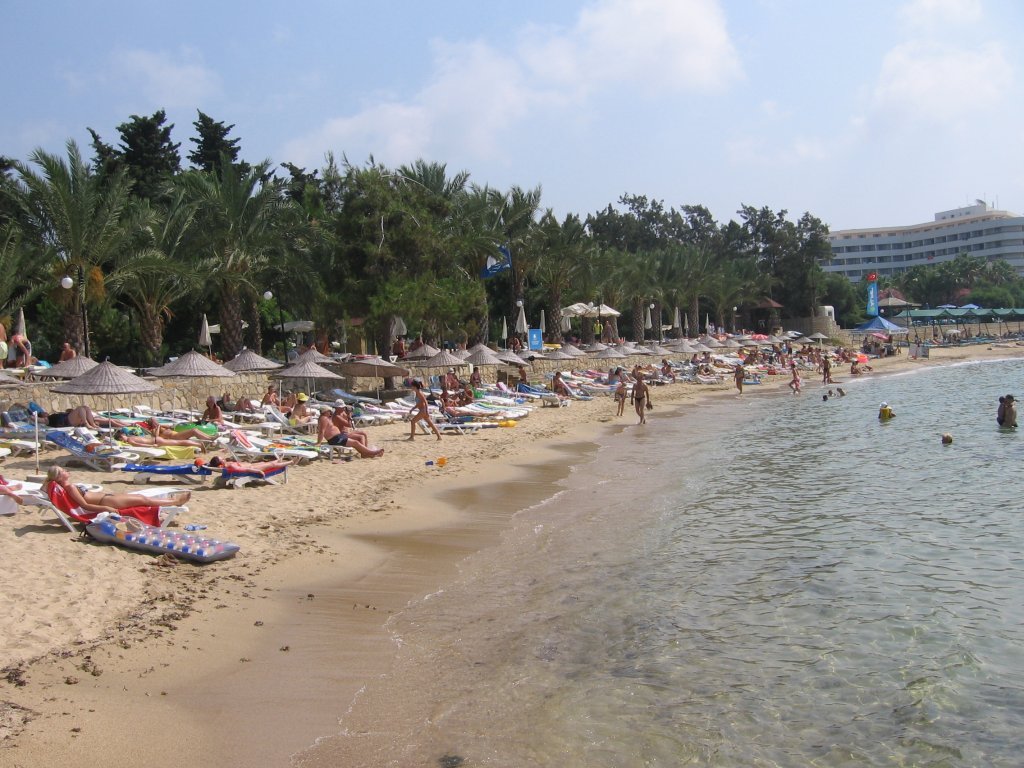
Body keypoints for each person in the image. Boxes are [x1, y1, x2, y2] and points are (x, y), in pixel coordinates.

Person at [45, 465, 190, 514]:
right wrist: (108, 509)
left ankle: (173, 501)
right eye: (62, 471)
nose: (65, 470)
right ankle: (175, 501)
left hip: (108, 498)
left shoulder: (68, 486)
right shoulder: (70, 487)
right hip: (108, 501)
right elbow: (84, 505)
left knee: (141, 498)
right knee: (143, 500)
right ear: (59, 478)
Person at [316, 408, 383, 457]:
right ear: (325, 412)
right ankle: (372, 452)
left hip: (338, 437)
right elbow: (322, 431)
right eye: (329, 411)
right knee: (355, 442)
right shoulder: (323, 418)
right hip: (335, 439)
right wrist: (319, 442)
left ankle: (366, 453)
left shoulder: (325, 418)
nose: (330, 412)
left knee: (357, 441)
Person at [206, 455, 300, 474]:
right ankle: (291, 462)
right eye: (221, 458)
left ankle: (279, 460)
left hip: (251, 465)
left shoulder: (227, 464)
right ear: (220, 462)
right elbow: (245, 470)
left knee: (264, 462)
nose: (223, 457)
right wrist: (258, 471)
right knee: (271, 465)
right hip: (252, 468)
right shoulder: (230, 466)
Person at [65, 405, 131, 429]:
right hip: (90, 422)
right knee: (111, 421)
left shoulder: (82, 413)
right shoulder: (76, 417)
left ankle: (130, 424)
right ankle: (126, 426)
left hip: (92, 420)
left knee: (113, 420)